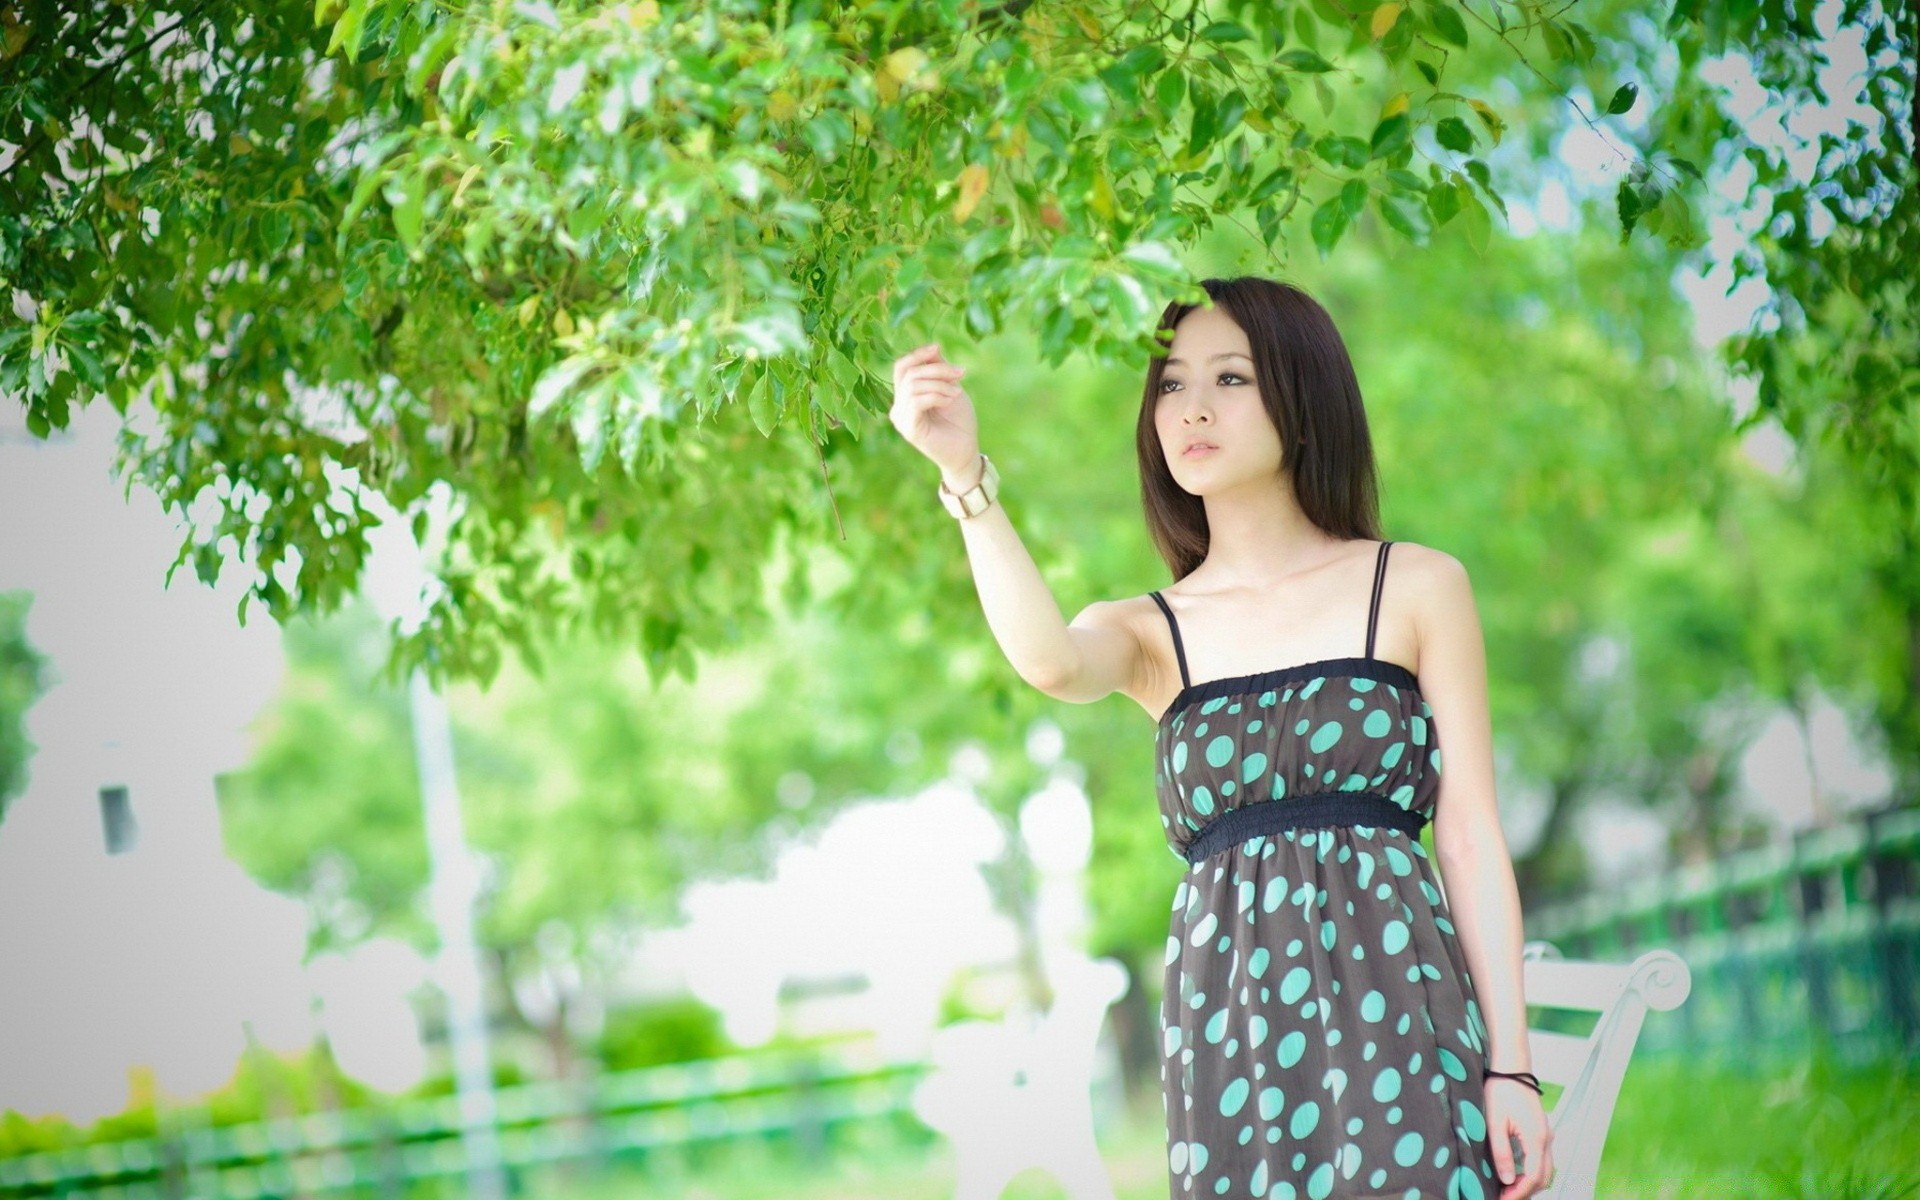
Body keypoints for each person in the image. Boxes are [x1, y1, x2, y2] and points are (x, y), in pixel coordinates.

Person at [888, 276, 1555, 1200]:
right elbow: (1047, 661)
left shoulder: (1414, 586)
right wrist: (965, 476)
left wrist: (1511, 1067)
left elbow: (1471, 831)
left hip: (1401, 1008)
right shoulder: (1150, 629)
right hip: (1231, 1029)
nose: (1191, 408)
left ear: (1304, 401)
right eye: (1171, 385)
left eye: (1231, 379)